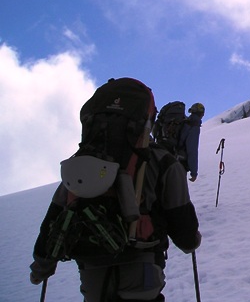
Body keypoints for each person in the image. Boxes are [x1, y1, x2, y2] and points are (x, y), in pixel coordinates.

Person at [29, 143, 201, 301]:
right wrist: (191, 242)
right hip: (141, 266)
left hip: (92, 271)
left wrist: (42, 266)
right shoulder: (160, 159)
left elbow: (55, 216)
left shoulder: (81, 163)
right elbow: (181, 220)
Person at [178, 102, 205, 182]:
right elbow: (192, 149)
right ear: (201, 114)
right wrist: (194, 172)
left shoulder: (185, 122)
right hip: (180, 162)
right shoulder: (194, 125)